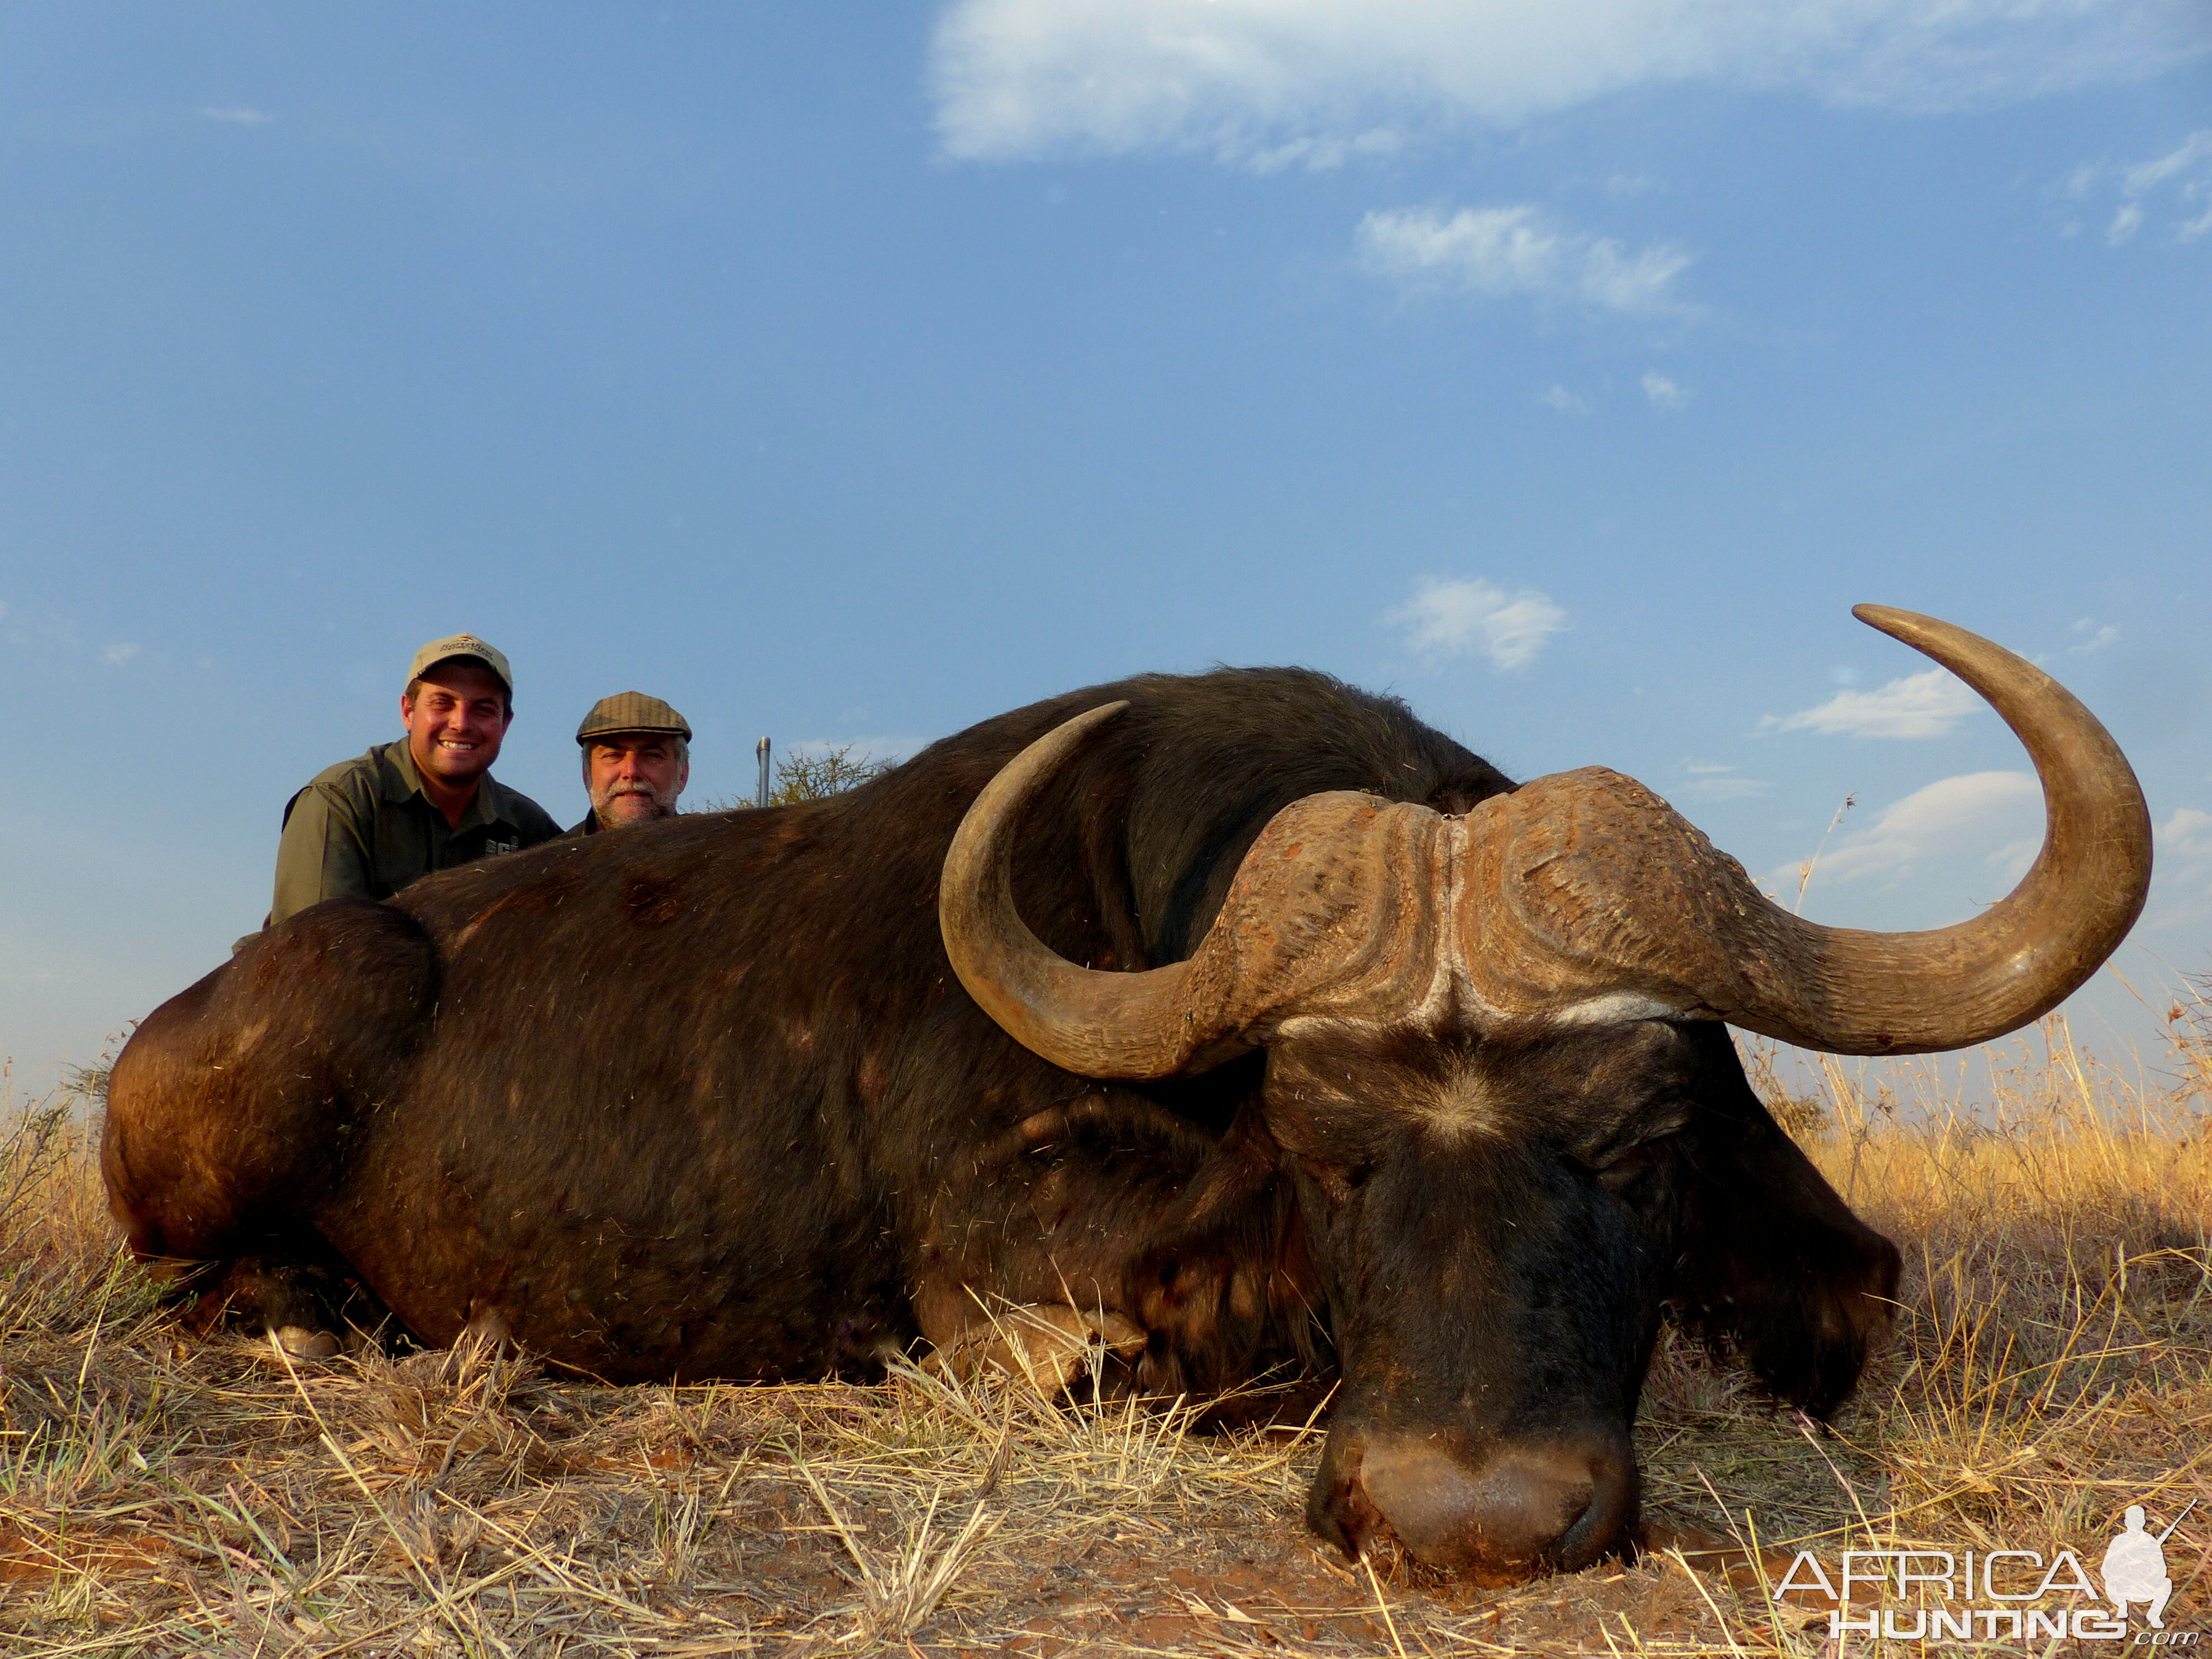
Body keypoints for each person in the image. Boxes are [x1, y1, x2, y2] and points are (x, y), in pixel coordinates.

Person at [267, 634, 561, 927]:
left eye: (483, 709)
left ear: (505, 725)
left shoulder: (531, 828)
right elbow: (318, 946)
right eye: (443, 704)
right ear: (408, 712)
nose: (461, 723)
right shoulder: (340, 798)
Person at [570, 692, 692, 833]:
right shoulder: (553, 854)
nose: (631, 771)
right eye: (613, 756)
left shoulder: (713, 851)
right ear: (587, 774)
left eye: (652, 756)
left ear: (682, 775)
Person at [2102, 1505, 2172, 1627]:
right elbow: (2106, 1567)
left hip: (2146, 1586)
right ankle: (2122, 1607)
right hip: (2123, 1587)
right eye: (2132, 1520)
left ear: (2143, 1522)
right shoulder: (2119, 1541)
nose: (2135, 1523)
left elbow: (2162, 1567)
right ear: (2126, 1522)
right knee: (2110, 1582)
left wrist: (2150, 1573)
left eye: (2138, 1520)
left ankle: (2154, 1615)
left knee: (2167, 1583)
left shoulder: (2150, 1541)